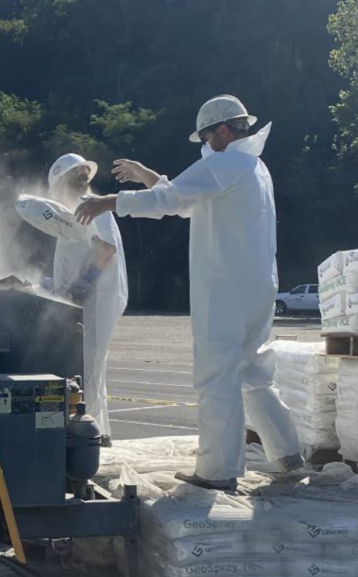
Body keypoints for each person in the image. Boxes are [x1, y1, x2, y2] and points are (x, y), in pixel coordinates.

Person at [73, 95, 302, 491]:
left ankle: (217, 472)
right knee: (253, 373)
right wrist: (148, 176)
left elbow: (172, 200)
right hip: (256, 285)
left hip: (225, 289)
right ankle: (287, 453)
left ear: (224, 131)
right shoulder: (253, 166)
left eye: (207, 136)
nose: (205, 144)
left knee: (216, 378)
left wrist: (106, 201)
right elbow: (185, 198)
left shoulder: (226, 163)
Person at [16, 154, 128, 444]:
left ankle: (92, 435)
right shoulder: (73, 211)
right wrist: (51, 283)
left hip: (96, 298)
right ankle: (98, 431)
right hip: (87, 297)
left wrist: (84, 285)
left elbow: (104, 251)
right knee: (89, 366)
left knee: (88, 365)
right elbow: (78, 255)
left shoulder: (91, 206)